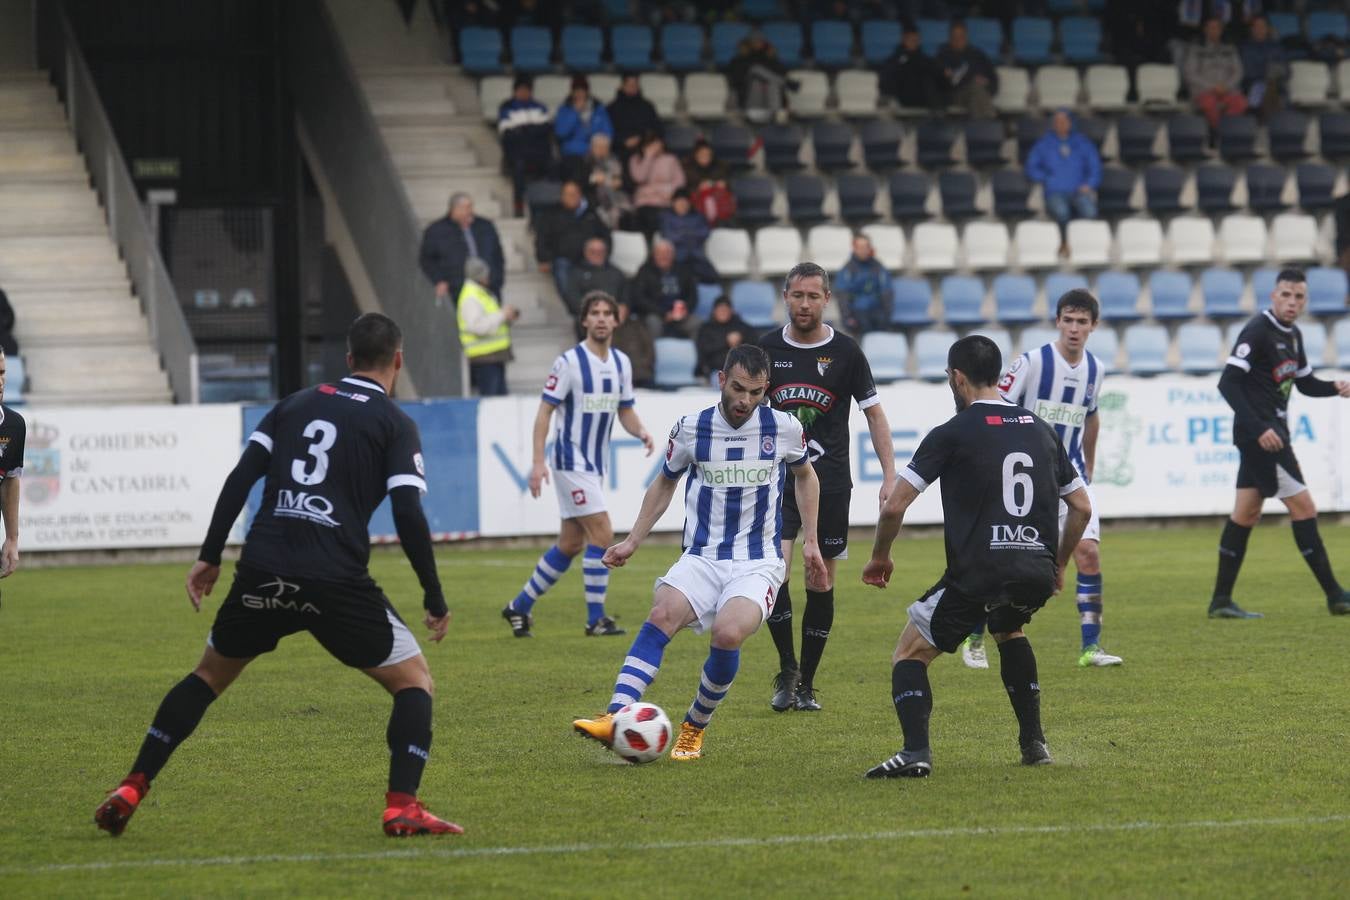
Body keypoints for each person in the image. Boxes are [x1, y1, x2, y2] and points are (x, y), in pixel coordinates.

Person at [93, 314, 463, 837]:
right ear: (398, 360)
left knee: (207, 677)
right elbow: (407, 510)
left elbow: (241, 478)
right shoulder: (395, 423)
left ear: (349, 359)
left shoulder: (294, 404)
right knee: (415, 681)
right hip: (335, 579)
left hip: (263, 569)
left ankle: (133, 784)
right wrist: (433, 596)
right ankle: (401, 805)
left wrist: (210, 555)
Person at [572, 345, 827, 761]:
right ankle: (615, 715)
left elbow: (806, 477)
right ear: (721, 379)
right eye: (739, 388)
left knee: (727, 634)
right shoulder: (692, 428)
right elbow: (665, 483)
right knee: (661, 614)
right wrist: (633, 539)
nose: (746, 400)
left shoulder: (783, 428)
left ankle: (694, 725)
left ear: (767, 390)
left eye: (757, 392)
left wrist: (811, 541)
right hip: (702, 556)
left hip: (758, 561)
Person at [861, 335, 1092, 778]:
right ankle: (1034, 744)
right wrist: (1057, 564)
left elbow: (894, 505)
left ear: (957, 377)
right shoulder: (1040, 430)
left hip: (980, 570)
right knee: (1009, 627)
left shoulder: (953, 431)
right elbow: (1081, 507)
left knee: (909, 654)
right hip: (1035, 568)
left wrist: (880, 557)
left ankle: (915, 752)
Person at [757, 262, 897, 712]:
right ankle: (786, 670)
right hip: (778, 482)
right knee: (776, 572)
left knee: (820, 579)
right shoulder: (765, 350)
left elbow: (874, 413)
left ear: (826, 299)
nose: (804, 304)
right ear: (785, 297)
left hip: (831, 482)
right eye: (797, 295)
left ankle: (807, 684)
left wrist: (890, 475)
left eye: (812, 296)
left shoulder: (847, 353)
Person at [960, 289, 1122, 669]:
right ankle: (974, 633)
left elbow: (1092, 416)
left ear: (1094, 326)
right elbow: (993, 406)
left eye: (1082, 322)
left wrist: (1090, 466)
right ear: (1057, 321)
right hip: (1025, 479)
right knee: (1002, 560)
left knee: (1090, 553)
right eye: (1068, 319)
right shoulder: (1032, 363)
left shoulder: (1096, 370)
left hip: (1071, 477)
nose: (1074, 328)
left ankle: (1090, 647)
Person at [501, 292, 655, 638]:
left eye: (607, 313)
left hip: (594, 464)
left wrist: (640, 430)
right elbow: (545, 411)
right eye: (594, 313)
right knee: (602, 532)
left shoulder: (621, 363)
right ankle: (595, 619)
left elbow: (624, 409)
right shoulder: (569, 362)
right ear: (584, 320)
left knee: (571, 543)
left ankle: (519, 606)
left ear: (616, 320)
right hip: (570, 459)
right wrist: (538, 461)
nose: (601, 319)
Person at [1208, 269, 1350, 619]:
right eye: (1286, 295)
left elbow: (1304, 383)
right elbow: (1228, 383)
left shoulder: (1294, 335)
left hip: (1269, 432)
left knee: (1246, 513)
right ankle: (1335, 595)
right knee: (1305, 508)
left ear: (1304, 301)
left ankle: (1221, 601)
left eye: (1299, 297)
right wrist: (1258, 429)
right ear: (1273, 296)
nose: (1292, 302)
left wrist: (1335, 386)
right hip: (1264, 437)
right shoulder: (1257, 330)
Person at [1025, 109, 1102, 254]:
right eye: (1057, 122)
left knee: (1089, 211)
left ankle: (1084, 246)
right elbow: (1031, 167)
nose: (1060, 124)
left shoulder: (1083, 143)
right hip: (1055, 192)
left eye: (1064, 121)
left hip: (1078, 191)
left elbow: (1095, 167)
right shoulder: (1044, 144)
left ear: (1070, 123)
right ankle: (1064, 244)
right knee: (1061, 212)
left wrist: (1090, 184)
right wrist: (1046, 179)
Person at [418, 193, 504, 307]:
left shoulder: (485, 226)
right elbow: (427, 259)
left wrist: (496, 279)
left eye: (471, 207)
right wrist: (439, 280)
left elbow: (498, 256)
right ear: (454, 209)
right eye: (466, 207)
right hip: (457, 290)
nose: (470, 211)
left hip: (488, 288)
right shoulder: (436, 231)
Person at [534, 179, 611, 301]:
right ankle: (578, 310)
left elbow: (606, 236)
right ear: (562, 196)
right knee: (564, 275)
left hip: (590, 260)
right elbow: (542, 238)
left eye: (575, 194)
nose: (572, 197)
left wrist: (604, 255)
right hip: (563, 259)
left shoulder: (591, 214)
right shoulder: (551, 215)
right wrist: (543, 258)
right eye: (568, 194)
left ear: (580, 195)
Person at [457, 256, 519, 397]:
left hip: (493, 355)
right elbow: (477, 326)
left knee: (499, 399)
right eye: (485, 274)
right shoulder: (471, 297)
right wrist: (502, 315)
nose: (488, 276)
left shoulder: (481, 293)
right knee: (492, 400)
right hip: (484, 357)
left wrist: (506, 317)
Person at [497, 74, 554, 216]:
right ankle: (518, 207)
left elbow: (546, 129)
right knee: (518, 169)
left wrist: (523, 130)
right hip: (518, 153)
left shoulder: (539, 107)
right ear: (515, 91)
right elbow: (507, 134)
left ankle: (549, 207)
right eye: (520, 90)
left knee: (553, 166)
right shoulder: (507, 108)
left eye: (526, 90)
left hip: (538, 152)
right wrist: (532, 130)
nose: (523, 93)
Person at [1184, 17, 1248, 130]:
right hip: (1205, 91)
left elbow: (1238, 71)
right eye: (1211, 28)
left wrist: (1226, 86)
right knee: (1209, 105)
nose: (1214, 30)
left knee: (1241, 103)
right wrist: (1213, 87)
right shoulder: (1195, 49)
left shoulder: (1230, 49)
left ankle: (1226, 131)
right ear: (1205, 30)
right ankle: (1219, 132)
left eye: (1217, 28)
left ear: (1221, 30)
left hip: (1228, 90)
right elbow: (1190, 74)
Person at [629, 238, 699, 339]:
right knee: (653, 323)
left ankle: (696, 355)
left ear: (673, 255)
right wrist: (663, 313)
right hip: (655, 314)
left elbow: (693, 296)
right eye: (660, 253)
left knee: (697, 323)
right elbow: (639, 298)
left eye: (667, 253)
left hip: (679, 315)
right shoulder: (645, 271)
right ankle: (653, 354)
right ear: (654, 255)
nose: (664, 256)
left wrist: (684, 310)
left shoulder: (684, 270)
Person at [936, 21, 999, 120]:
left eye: (961, 36)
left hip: (979, 94)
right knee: (975, 87)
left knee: (975, 97)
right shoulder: (944, 54)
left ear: (966, 36)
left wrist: (986, 83)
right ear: (950, 38)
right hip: (955, 95)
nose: (958, 39)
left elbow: (993, 79)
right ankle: (991, 122)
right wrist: (972, 80)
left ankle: (978, 129)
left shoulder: (977, 54)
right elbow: (948, 82)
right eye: (954, 36)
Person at [628, 131, 685, 238]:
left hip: (664, 201)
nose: (655, 147)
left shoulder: (671, 159)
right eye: (651, 144)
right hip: (644, 204)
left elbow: (680, 182)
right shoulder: (635, 159)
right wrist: (648, 157)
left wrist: (659, 189)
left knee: (663, 218)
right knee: (644, 219)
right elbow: (640, 178)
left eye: (657, 143)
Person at [833, 234, 893, 336]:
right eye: (860, 247)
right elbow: (842, 295)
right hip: (856, 314)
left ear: (870, 248)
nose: (863, 250)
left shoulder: (878, 267)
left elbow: (887, 291)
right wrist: (847, 317)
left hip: (876, 312)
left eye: (866, 247)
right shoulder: (847, 270)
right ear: (854, 248)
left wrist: (886, 314)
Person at [554, 75, 613, 177]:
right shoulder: (565, 109)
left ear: (587, 92)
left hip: (596, 154)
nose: (579, 94)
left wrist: (597, 146)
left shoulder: (598, 108)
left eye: (582, 90)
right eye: (576, 91)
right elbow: (561, 132)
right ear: (572, 92)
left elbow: (608, 132)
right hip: (573, 153)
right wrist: (575, 112)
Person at [727, 33, 793, 124]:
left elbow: (781, 73)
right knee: (756, 72)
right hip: (749, 103)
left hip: (771, 105)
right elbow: (735, 81)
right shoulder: (740, 60)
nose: (757, 44)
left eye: (759, 41)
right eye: (754, 41)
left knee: (771, 82)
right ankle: (788, 83)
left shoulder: (770, 59)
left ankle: (778, 115)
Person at [0, 350, 25, 579]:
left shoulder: (14, 426)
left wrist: (11, 538)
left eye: (2, 373)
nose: (0, 381)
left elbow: (9, 479)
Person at [882, 22, 945, 112]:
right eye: (910, 39)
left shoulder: (925, 59)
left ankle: (938, 113)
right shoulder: (896, 59)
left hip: (924, 99)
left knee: (930, 79)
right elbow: (889, 78)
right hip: (902, 97)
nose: (913, 42)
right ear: (903, 39)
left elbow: (937, 72)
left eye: (916, 39)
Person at [660, 189, 717, 283]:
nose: (682, 205)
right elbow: (668, 235)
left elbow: (705, 233)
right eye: (679, 202)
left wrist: (684, 233)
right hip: (677, 258)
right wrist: (689, 234)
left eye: (685, 203)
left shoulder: (697, 216)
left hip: (697, 256)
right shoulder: (667, 217)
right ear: (673, 203)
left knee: (711, 277)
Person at [564, 237, 628, 321]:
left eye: (601, 251)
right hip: (588, 316)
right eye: (593, 251)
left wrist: (624, 307)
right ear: (585, 252)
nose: (597, 254)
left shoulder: (616, 273)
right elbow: (572, 298)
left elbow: (625, 295)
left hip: (613, 315)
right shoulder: (576, 273)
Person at [1239, 14, 1286, 121]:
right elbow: (1247, 71)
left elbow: (1286, 70)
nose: (1260, 30)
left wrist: (1273, 74)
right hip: (1252, 85)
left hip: (1275, 84)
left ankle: (1272, 126)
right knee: (1261, 90)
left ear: (1268, 29)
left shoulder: (1276, 47)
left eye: (1263, 26)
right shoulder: (1244, 47)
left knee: (1274, 91)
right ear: (1251, 29)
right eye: (1256, 27)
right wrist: (1269, 72)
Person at [695, 296, 755, 379]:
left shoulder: (741, 327)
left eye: (725, 310)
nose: (723, 312)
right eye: (720, 310)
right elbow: (704, 350)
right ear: (714, 311)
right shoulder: (706, 328)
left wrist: (740, 341)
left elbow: (754, 347)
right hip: (715, 371)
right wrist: (725, 341)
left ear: (731, 311)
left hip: (741, 370)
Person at [607, 72, 662, 163]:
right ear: (622, 86)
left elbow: (658, 129)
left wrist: (641, 139)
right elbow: (607, 133)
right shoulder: (612, 108)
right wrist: (623, 142)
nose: (632, 87)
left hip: (644, 149)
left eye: (635, 84)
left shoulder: (647, 106)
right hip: (619, 151)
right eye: (629, 84)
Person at [581, 132, 631, 230]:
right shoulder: (584, 162)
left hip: (617, 197)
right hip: (594, 199)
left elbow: (627, 181)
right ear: (592, 148)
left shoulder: (616, 161)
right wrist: (593, 179)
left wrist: (620, 183)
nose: (602, 150)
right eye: (598, 147)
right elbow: (580, 181)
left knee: (625, 212)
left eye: (605, 147)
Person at [683, 139, 735, 226]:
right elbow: (682, 192)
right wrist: (698, 188)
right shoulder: (687, 168)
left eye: (708, 155)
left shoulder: (721, 167)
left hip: (718, 205)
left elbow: (729, 186)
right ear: (695, 155)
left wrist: (724, 184)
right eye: (702, 155)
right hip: (696, 205)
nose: (705, 157)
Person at [612, 301, 655, 389]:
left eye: (622, 311)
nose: (620, 314)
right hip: (617, 375)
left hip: (641, 373)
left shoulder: (638, 326)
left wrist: (644, 363)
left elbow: (649, 348)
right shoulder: (606, 330)